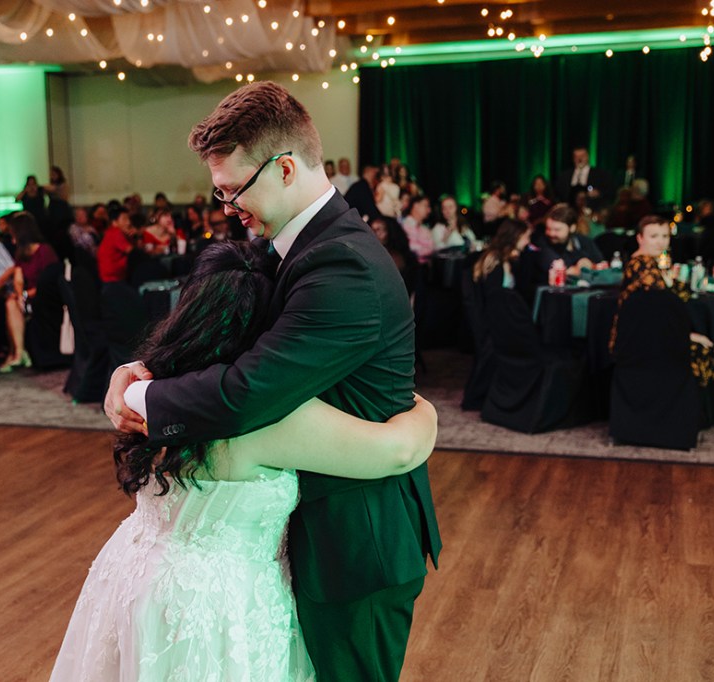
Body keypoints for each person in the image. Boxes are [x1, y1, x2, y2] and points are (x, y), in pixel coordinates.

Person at [104, 82, 441, 681]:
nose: (227, 207)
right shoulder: (302, 245)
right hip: (314, 525)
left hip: (355, 541)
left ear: (285, 168)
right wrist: (137, 373)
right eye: (220, 191)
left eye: (234, 189)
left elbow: (247, 391)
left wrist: (141, 398)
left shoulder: (342, 264)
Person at [50, 241, 437, 681]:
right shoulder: (270, 417)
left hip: (132, 576)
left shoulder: (154, 390)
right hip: (220, 606)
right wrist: (423, 408)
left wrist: (128, 373)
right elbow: (399, 450)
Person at [609, 215, 714, 386]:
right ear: (640, 238)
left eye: (665, 236)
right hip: (644, 340)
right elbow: (656, 312)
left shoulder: (650, 265)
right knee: (704, 350)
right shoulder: (641, 267)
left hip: (650, 335)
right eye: (654, 236)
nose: (660, 242)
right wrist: (687, 336)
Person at [0, 212, 58, 372]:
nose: (12, 240)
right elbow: (18, 279)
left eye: (13, 235)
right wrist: (20, 296)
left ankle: (19, 353)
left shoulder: (45, 251)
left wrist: (25, 295)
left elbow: (49, 282)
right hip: (28, 297)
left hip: (44, 297)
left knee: (12, 304)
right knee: (11, 302)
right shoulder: (21, 254)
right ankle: (19, 352)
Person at [536, 203, 606, 275]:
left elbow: (601, 264)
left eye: (557, 230)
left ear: (572, 228)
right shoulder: (543, 245)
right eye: (548, 229)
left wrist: (591, 265)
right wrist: (582, 267)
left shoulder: (582, 241)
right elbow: (562, 271)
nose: (551, 233)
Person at [472, 219, 532, 294]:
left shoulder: (513, 259)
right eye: (526, 237)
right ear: (516, 236)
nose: (528, 241)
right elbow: (491, 291)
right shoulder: (494, 258)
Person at [554, 146, 614, 210]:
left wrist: (598, 193)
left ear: (588, 157)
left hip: (593, 209)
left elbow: (609, 192)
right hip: (568, 210)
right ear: (573, 159)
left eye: (582, 156)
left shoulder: (601, 175)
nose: (580, 159)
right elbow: (557, 194)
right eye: (576, 157)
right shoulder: (564, 176)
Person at [97, 205, 137, 283]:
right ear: (114, 222)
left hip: (117, 277)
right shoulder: (114, 233)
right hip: (113, 280)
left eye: (128, 219)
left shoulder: (116, 233)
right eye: (124, 219)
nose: (128, 222)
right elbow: (133, 252)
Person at [401, 195, 434, 263]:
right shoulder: (406, 225)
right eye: (426, 206)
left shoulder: (423, 228)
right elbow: (411, 248)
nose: (429, 210)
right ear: (416, 206)